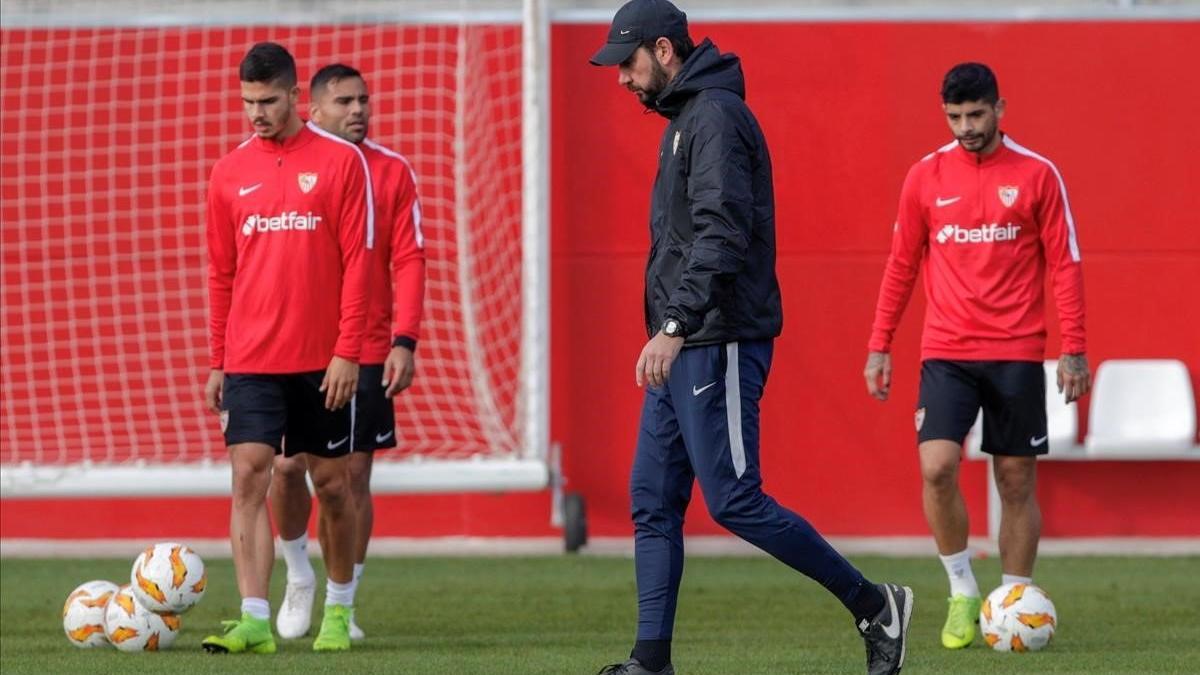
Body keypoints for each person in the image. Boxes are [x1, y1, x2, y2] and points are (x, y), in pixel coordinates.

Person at [590, 2, 911, 674]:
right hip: (686, 338)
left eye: (627, 61)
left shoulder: (714, 118)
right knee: (652, 498)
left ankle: (875, 603)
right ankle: (651, 660)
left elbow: (723, 234)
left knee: (734, 497)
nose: (621, 77)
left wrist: (674, 325)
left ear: (663, 50)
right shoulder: (686, 119)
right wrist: (668, 328)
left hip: (717, 336)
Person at [863, 62, 1090, 650]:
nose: (966, 127)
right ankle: (962, 589)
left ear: (999, 108)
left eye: (976, 114)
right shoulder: (925, 176)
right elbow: (901, 265)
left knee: (1015, 480)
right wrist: (879, 344)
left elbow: (1064, 264)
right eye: (955, 116)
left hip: (1017, 353)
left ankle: (1015, 601)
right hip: (947, 352)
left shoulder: (1038, 174)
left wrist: (1075, 350)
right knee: (936, 466)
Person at [201, 42, 374, 654]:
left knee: (332, 486)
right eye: (248, 101)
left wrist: (348, 350)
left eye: (268, 101)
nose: (256, 113)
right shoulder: (228, 172)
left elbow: (361, 263)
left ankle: (338, 608)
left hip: (322, 359)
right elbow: (222, 274)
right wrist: (219, 357)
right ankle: (252, 617)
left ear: (295, 96)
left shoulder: (340, 163)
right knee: (249, 475)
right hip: (250, 359)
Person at [271, 63, 426, 643]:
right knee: (285, 469)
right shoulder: (284, 165)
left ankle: (344, 602)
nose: (358, 110)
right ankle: (296, 576)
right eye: (344, 101)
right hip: (290, 347)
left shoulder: (390, 172)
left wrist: (404, 339)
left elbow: (408, 259)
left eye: (364, 100)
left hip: (362, 348)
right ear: (312, 109)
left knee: (353, 475)